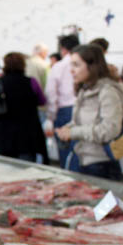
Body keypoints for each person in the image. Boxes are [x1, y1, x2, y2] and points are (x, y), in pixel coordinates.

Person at [56, 44, 123, 180]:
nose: (71, 70)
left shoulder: (107, 92)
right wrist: (67, 129)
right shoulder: (84, 90)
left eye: (76, 65)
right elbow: (81, 121)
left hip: (102, 165)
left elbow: (109, 130)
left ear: (92, 66)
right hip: (82, 160)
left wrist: (73, 132)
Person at [0, 52, 47, 162]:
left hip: (5, 133)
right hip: (28, 133)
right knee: (27, 167)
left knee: (8, 167)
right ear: (23, 65)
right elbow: (42, 101)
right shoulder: (31, 82)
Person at [45, 34, 79, 167]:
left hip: (64, 110)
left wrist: (51, 116)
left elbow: (51, 92)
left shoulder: (59, 66)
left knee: (65, 150)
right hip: (78, 107)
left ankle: (69, 180)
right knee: (79, 150)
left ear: (63, 49)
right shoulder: (84, 65)